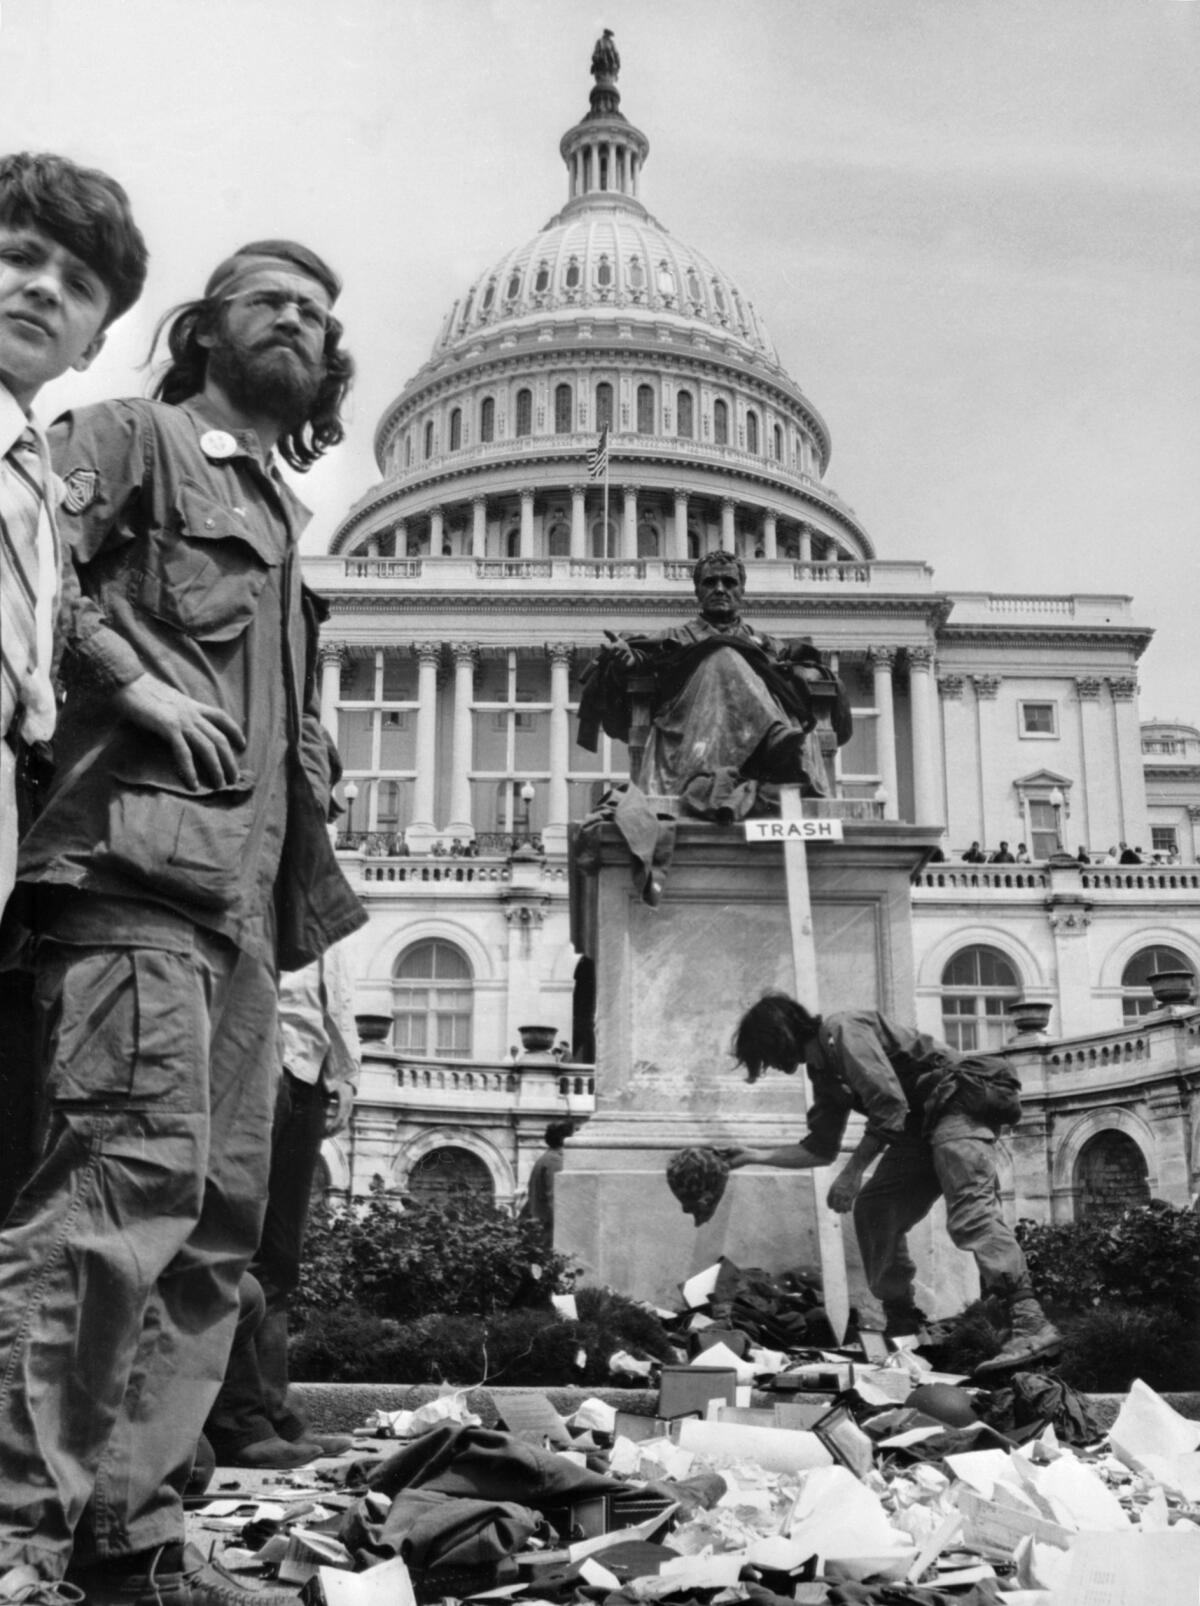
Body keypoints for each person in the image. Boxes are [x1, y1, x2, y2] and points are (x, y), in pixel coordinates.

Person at [0, 240, 365, 1605]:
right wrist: (132, 684)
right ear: (205, 327)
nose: (299, 321)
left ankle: (130, 1531)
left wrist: (306, 755)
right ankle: (17, 1529)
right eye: (272, 297)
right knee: (110, 1201)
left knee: (215, 1228)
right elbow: (38, 568)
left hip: (245, 914)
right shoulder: (132, 437)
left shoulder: (272, 512)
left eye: (320, 314)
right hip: (134, 876)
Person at [0, 153, 148, 1247]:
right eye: (16, 256)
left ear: (93, 339)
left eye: (77, 282)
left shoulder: (39, 484)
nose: (43, 287)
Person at [721, 992, 1061, 1372]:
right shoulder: (823, 1071)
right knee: (876, 1210)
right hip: (919, 1125)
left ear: (779, 1037)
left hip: (956, 1101)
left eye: (763, 1055)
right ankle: (904, 1328)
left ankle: (1030, 1322)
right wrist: (752, 1156)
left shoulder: (843, 1029)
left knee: (970, 1213)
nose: (767, 1065)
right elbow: (819, 1149)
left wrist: (852, 1174)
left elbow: (890, 1104)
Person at [204, 940, 361, 1469]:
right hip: (250, 1058)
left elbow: (331, 988)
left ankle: (272, 1409)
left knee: (278, 1262)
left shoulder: (309, 875)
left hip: (307, 1069)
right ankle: (236, 1421)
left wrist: (342, 1068)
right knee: (233, 1249)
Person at [577, 549, 851, 821]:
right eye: (710, 582)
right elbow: (646, 656)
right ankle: (774, 736)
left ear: (742, 590)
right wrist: (629, 660)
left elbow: (800, 669)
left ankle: (773, 736)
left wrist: (811, 674)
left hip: (748, 738)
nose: (720, 589)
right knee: (723, 653)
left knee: (738, 656)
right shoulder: (676, 636)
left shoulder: (766, 643)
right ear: (697, 591)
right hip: (688, 727)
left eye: (729, 582)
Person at [520, 1121, 576, 1237]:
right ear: (565, 1139)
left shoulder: (547, 1158)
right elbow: (555, 1199)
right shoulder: (555, 1161)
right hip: (549, 1230)